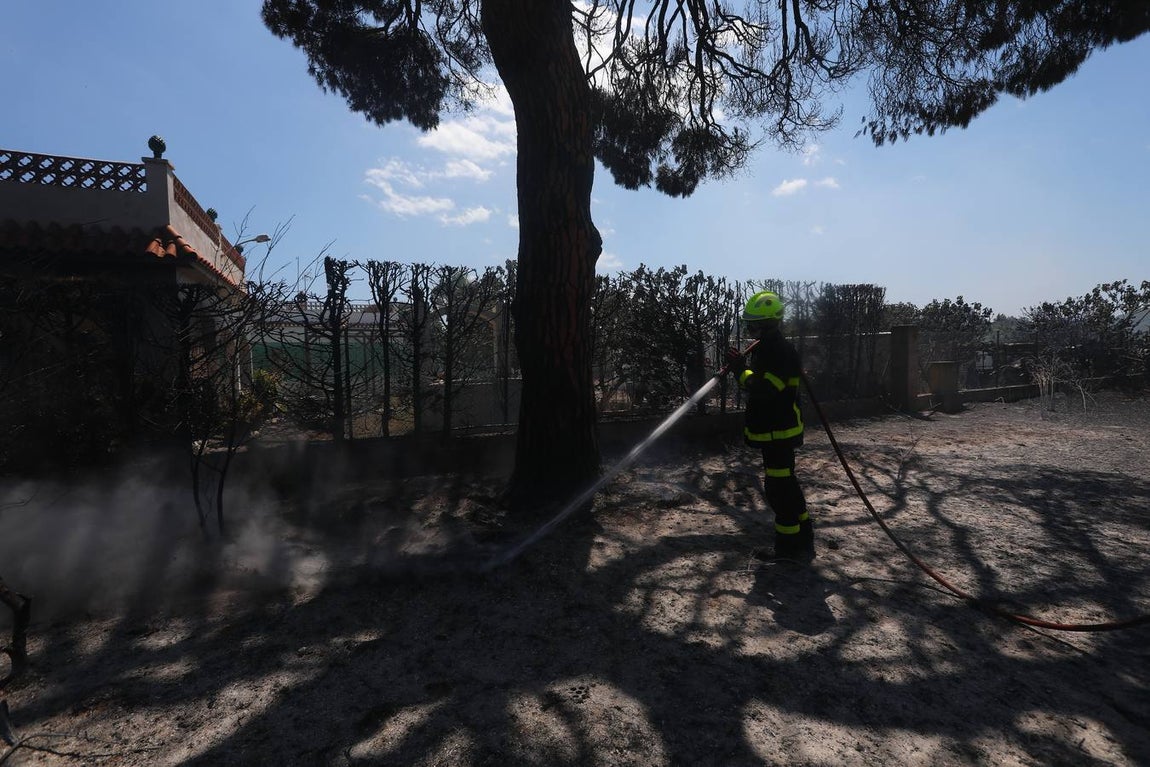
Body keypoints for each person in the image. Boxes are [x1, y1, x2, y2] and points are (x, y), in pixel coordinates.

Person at [726, 290, 814, 562]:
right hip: (778, 430)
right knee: (786, 483)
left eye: (753, 324)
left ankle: (787, 547)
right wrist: (743, 365)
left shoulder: (777, 350)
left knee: (778, 489)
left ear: (766, 323)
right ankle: (803, 536)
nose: (750, 329)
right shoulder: (770, 347)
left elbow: (765, 389)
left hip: (779, 432)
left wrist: (741, 371)